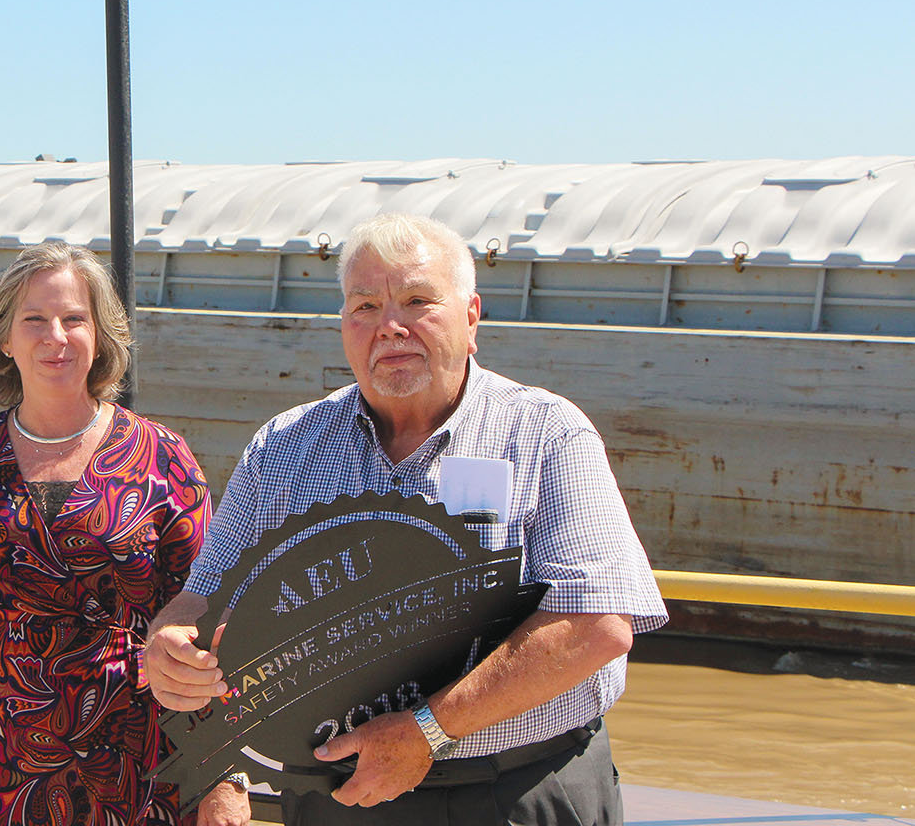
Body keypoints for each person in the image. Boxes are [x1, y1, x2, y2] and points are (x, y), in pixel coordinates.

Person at [143, 212, 668, 826]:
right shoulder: (284, 446)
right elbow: (205, 601)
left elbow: (596, 623)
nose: (389, 327)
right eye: (364, 306)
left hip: (515, 791)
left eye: (417, 301)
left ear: (472, 317)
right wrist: (170, 646)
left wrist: (427, 732)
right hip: (334, 797)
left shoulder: (547, 436)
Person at [0, 243, 250, 826]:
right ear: (5, 339)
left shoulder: (162, 456)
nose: (54, 336)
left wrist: (225, 776)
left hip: (147, 761)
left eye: (74, 319)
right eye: (34, 319)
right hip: (6, 769)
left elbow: (211, 623)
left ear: (101, 335)